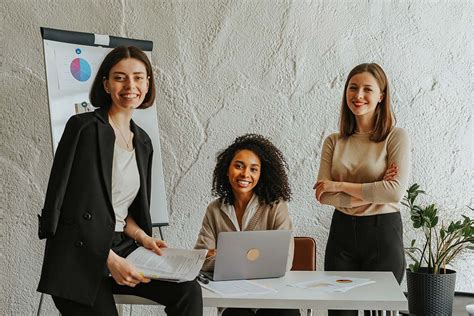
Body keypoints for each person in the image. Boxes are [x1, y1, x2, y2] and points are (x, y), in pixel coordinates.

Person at [37, 46, 202, 316]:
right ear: (106, 84)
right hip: (79, 253)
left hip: (123, 246)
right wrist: (106, 258)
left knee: (187, 291)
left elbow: (122, 210)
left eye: (138, 77)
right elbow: (66, 209)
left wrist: (142, 237)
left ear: (148, 84)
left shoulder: (143, 142)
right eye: (120, 77)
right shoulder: (84, 128)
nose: (130, 85)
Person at [314, 63, 410, 316]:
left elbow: (394, 193)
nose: (358, 95)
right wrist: (372, 192)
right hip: (342, 234)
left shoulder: (395, 137)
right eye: (352, 88)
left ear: (381, 96)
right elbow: (324, 195)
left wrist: (340, 186)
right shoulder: (334, 141)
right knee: (339, 312)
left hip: (382, 234)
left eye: (368, 89)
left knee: (377, 312)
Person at [195, 134, 300, 316]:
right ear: (227, 170)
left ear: (261, 174)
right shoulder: (214, 210)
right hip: (232, 300)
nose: (245, 174)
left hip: (274, 296)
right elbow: (201, 260)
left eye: (254, 169)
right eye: (239, 166)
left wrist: (224, 257)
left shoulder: (276, 206)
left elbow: (284, 261)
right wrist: (255, 262)